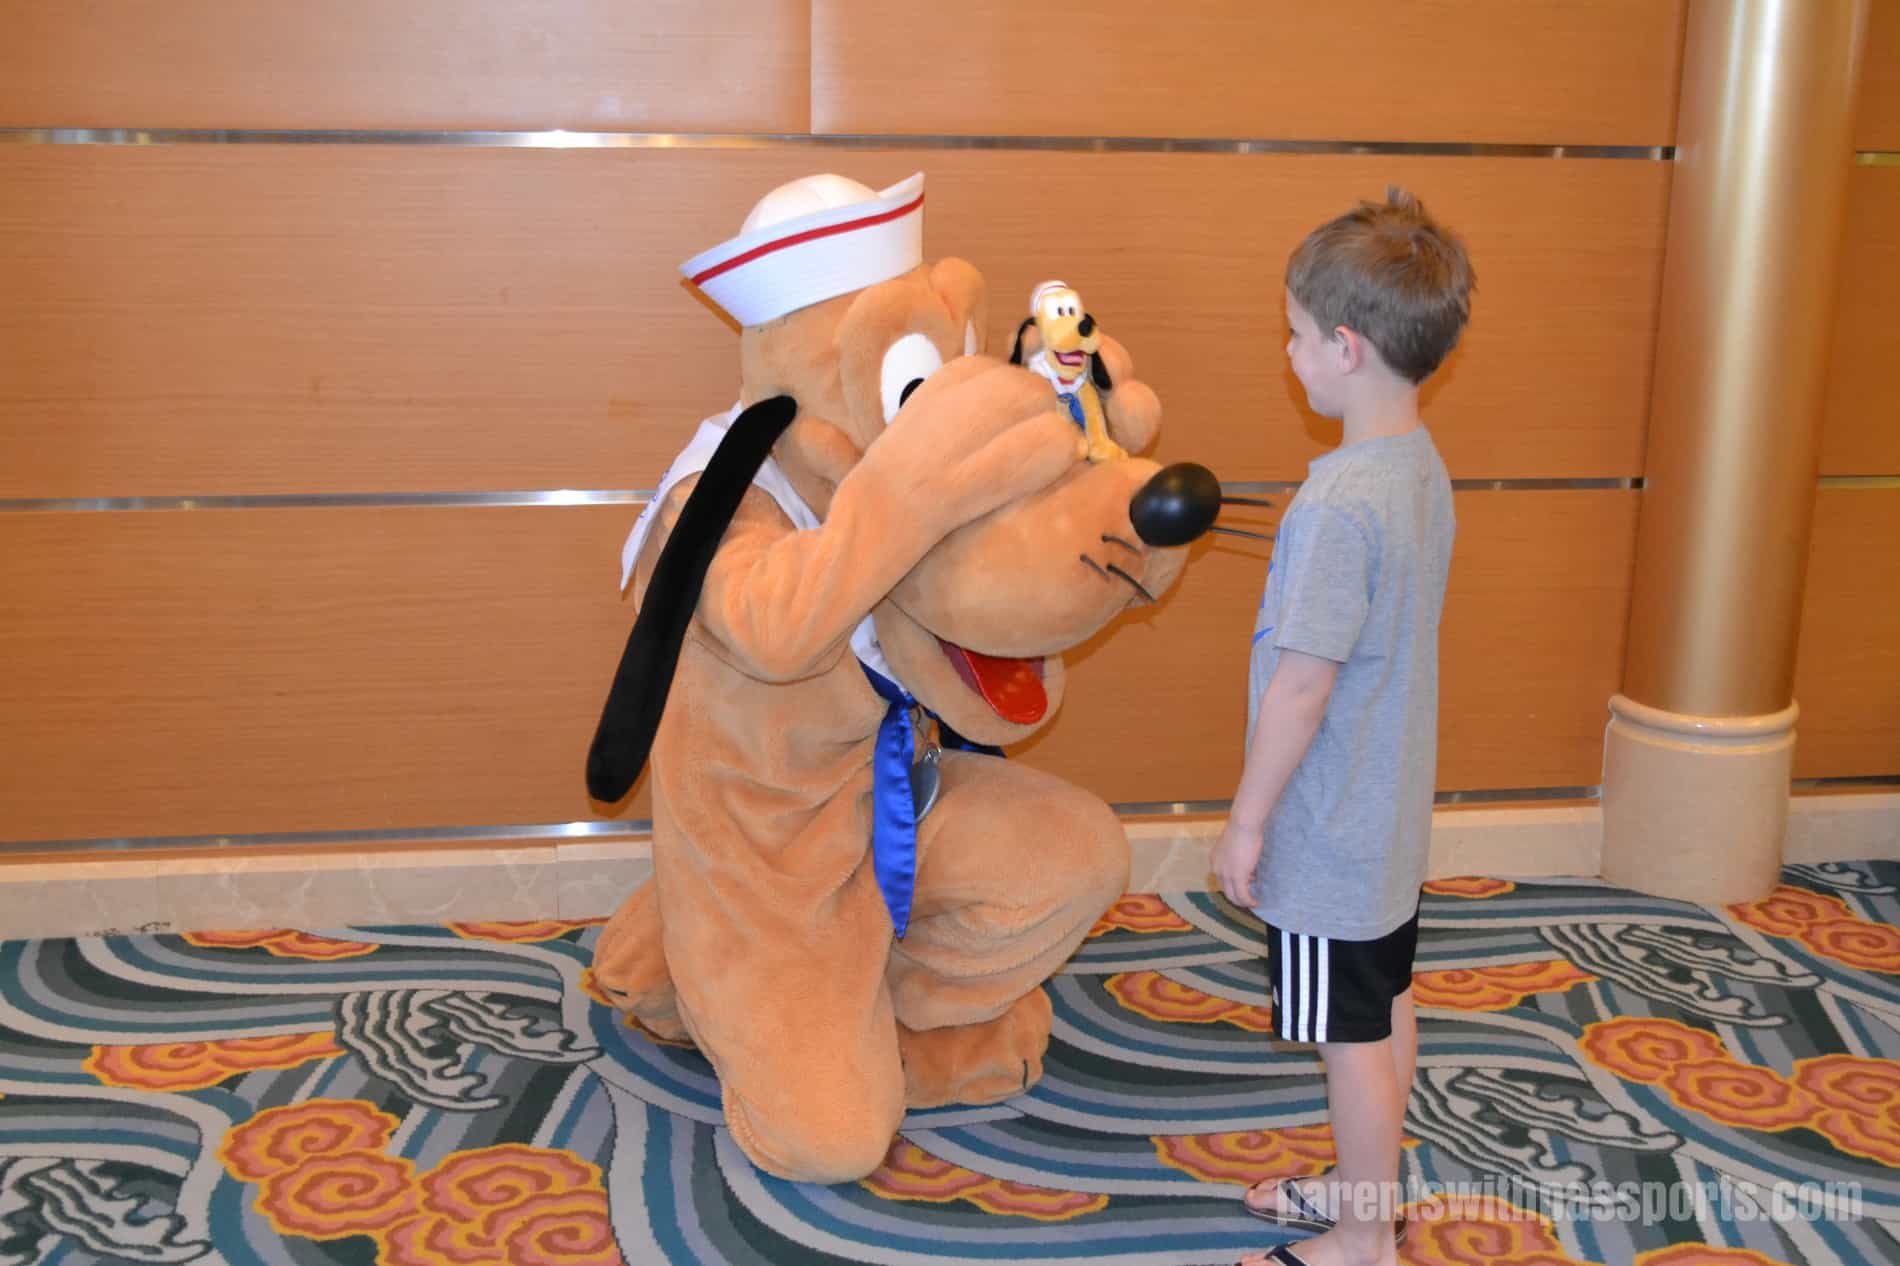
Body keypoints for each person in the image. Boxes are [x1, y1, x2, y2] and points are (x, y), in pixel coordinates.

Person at [1210, 187, 1474, 1266]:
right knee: (1383, 1007)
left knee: (1346, 1039)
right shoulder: (1417, 466)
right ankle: (1367, 1193)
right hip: (1387, 818)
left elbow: (1302, 688)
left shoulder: (1334, 506)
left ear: (1347, 349)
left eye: (1297, 333)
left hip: (1328, 831)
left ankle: (1363, 1236)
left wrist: (1247, 821)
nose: (1289, 352)